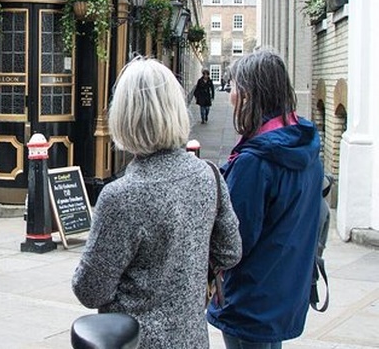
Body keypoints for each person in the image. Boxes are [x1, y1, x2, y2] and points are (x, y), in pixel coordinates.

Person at [72, 57, 242, 349]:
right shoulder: (209, 175)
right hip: (192, 339)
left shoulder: (121, 196)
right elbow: (230, 252)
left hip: (136, 341)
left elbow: (90, 289)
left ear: (124, 115)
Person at [207, 49, 324, 349]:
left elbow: (234, 241)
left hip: (249, 298)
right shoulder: (304, 146)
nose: (230, 94)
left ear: (247, 95)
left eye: (233, 86)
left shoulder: (256, 162)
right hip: (284, 290)